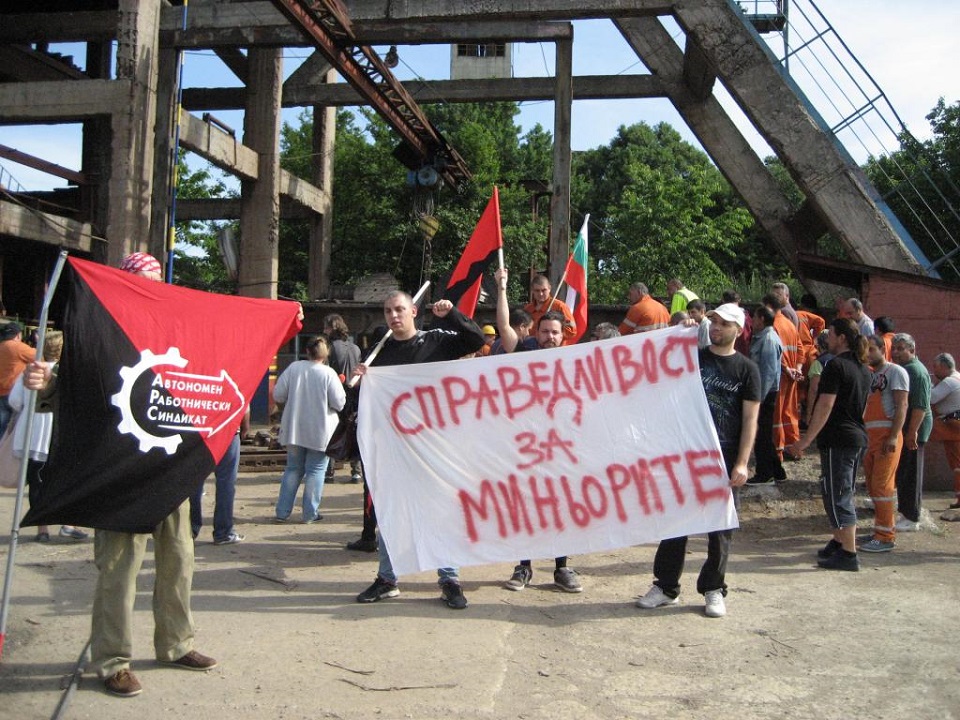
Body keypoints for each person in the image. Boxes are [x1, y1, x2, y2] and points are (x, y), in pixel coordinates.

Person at [24, 252, 217, 698]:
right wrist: (43, 382)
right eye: (141, 284)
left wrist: (278, 322)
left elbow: (213, 366)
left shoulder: (175, 330)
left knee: (179, 562)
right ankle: (113, 660)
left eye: (155, 284)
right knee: (118, 571)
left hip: (169, 472)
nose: (150, 292)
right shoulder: (100, 331)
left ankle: (176, 643)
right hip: (118, 474)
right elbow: (72, 385)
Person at [354, 291, 484, 610]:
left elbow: (475, 340)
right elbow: (364, 402)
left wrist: (451, 314)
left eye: (399, 309)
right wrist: (361, 380)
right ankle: (387, 578)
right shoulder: (378, 352)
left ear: (413, 311)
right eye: (388, 311)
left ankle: (449, 579)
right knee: (390, 513)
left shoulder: (435, 341)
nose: (393, 316)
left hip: (435, 446)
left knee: (441, 513)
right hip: (394, 448)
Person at [635, 303, 760, 617]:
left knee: (720, 527)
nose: (716, 327)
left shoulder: (747, 370)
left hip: (725, 455)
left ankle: (714, 589)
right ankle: (666, 586)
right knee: (676, 521)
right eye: (713, 321)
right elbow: (655, 364)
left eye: (724, 323)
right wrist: (679, 334)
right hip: (686, 454)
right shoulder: (692, 358)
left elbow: (750, 420)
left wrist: (742, 462)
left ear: (738, 330)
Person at [495, 267, 583, 593]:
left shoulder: (575, 361)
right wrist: (501, 288)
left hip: (562, 446)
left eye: (554, 332)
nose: (549, 336)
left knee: (560, 506)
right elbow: (504, 327)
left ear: (563, 335)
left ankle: (561, 567)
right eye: (544, 331)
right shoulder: (525, 353)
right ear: (536, 331)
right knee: (527, 505)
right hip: (528, 446)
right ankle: (524, 566)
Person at [787, 318, 871, 572]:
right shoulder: (863, 368)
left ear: (842, 338)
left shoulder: (836, 365)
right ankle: (839, 541)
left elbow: (825, 404)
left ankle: (849, 553)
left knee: (839, 495)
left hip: (839, 439)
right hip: (854, 437)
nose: (827, 339)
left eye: (831, 334)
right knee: (837, 491)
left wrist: (805, 440)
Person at [9, 331, 89, 542]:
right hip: (59, 434)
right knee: (67, 480)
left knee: (37, 482)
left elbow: (15, 401)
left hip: (33, 434)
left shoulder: (31, 370)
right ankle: (68, 523)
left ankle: (42, 529)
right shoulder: (70, 375)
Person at [273, 335, 346, 523]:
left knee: (292, 469)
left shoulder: (294, 368)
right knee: (316, 471)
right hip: (321, 430)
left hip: (294, 428)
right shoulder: (328, 373)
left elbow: (278, 395)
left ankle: (282, 512)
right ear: (326, 354)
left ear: (306, 351)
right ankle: (310, 513)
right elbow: (339, 402)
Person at [859, 335, 908, 553]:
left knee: (882, 487)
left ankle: (886, 536)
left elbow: (902, 405)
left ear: (882, 349)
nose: (868, 354)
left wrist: (893, 436)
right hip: (871, 437)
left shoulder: (895, 372)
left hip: (887, 437)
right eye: (865, 350)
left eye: (871, 349)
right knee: (873, 486)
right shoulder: (871, 375)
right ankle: (880, 530)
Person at [891, 333, 933, 532]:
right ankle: (905, 511)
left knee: (911, 473)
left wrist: (912, 432)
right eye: (894, 348)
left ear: (912, 350)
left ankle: (911, 516)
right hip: (907, 427)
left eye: (900, 349)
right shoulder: (905, 369)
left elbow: (920, 406)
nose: (895, 352)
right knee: (904, 471)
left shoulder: (916, 371)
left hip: (914, 428)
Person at [190, 408, 248, 545]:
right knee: (226, 483)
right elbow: (245, 405)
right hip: (228, 430)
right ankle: (223, 533)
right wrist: (245, 427)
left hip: (199, 430)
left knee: (194, 481)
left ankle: (189, 530)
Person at [763, 293, 802, 471]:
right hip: (792, 375)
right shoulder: (789, 324)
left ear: (768, 306)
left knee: (777, 415)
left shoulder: (773, 325)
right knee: (789, 413)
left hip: (780, 375)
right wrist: (798, 368)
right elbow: (800, 348)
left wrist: (787, 369)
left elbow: (775, 354)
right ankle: (794, 448)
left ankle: (777, 451)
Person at [323, 313, 362, 484]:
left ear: (332, 328)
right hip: (355, 395)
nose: (324, 331)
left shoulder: (329, 348)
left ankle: (329, 472)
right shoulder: (355, 348)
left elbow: (325, 371)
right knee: (354, 431)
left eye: (326, 327)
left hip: (335, 394)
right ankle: (356, 472)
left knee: (332, 431)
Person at [748, 304, 783, 485]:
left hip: (765, 395)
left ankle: (765, 474)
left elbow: (768, 373)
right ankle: (777, 471)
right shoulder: (762, 337)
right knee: (764, 434)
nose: (752, 321)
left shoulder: (768, 340)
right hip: (763, 393)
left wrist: (758, 399)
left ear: (761, 319)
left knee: (761, 435)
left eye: (754, 317)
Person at [928, 353, 960, 509]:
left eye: (936, 367)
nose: (934, 371)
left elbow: (931, 398)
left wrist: (927, 384)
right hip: (953, 425)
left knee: (957, 463)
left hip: (954, 426)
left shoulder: (949, 382)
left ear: (945, 366)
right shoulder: (957, 378)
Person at [0, 321, 35, 437]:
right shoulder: (18, 347)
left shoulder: (1, 346)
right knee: (13, 429)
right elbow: (40, 357)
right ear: (19, 335)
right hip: (13, 393)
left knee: (2, 426)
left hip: (1, 392)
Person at [524, 274, 577, 345]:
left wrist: (552, 333)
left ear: (549, 288)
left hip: (555, 348)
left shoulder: (559, 306)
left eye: (544, 290)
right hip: (533, 349)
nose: (541, 294)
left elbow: (572, 331)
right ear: (532, 291)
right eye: (537, 290)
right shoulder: (527, 309)